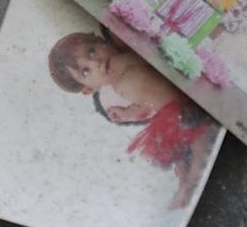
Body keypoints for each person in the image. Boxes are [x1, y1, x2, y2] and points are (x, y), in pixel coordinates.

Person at [48, 31, 216, 209]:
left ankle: (190, 184)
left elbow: (150, 61)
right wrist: (128, 113)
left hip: (182, 106)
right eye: (86, 71)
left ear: (101, 41)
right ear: (89, 88)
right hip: (169, 116)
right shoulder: (117, 87)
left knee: (198, 148)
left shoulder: (122, 61)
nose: (96, 62)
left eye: (92, 51)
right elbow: (145, 104)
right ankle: (184, 186)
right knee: (181, 158)